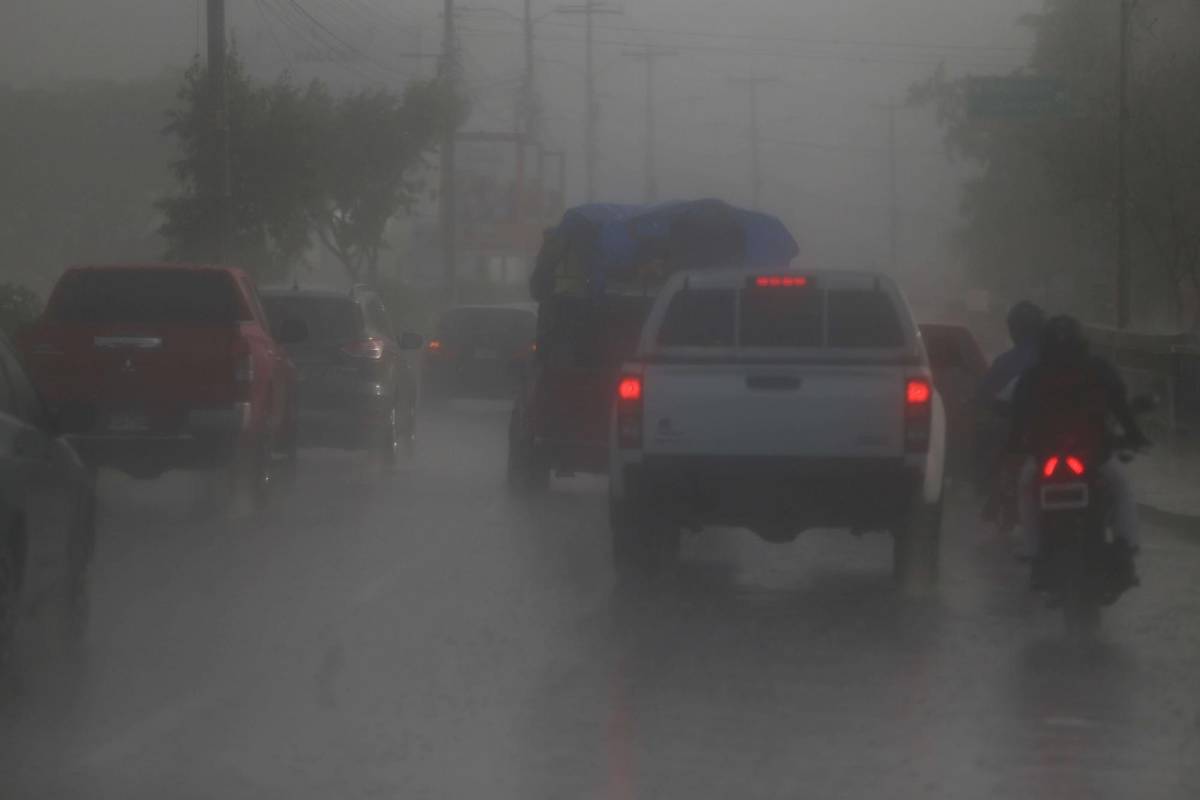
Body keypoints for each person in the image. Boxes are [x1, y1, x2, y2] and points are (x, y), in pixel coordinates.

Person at [1008, 315, 1150, 587]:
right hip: (1094, 457)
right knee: (1121, 487)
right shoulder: (1099, 369)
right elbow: (1121, 408)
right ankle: (1127, 544)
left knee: (1026, 486)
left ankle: (1034, 549)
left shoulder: (1034, 375)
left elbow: (1018, 421)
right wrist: (1136, 437)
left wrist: (1013, 447)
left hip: (1052, 460)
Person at [974, 301, 1045, 518]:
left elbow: (983, 396)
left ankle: (989, 489)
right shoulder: (1065, 359)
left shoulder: (1005, 362)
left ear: (1013, 330)